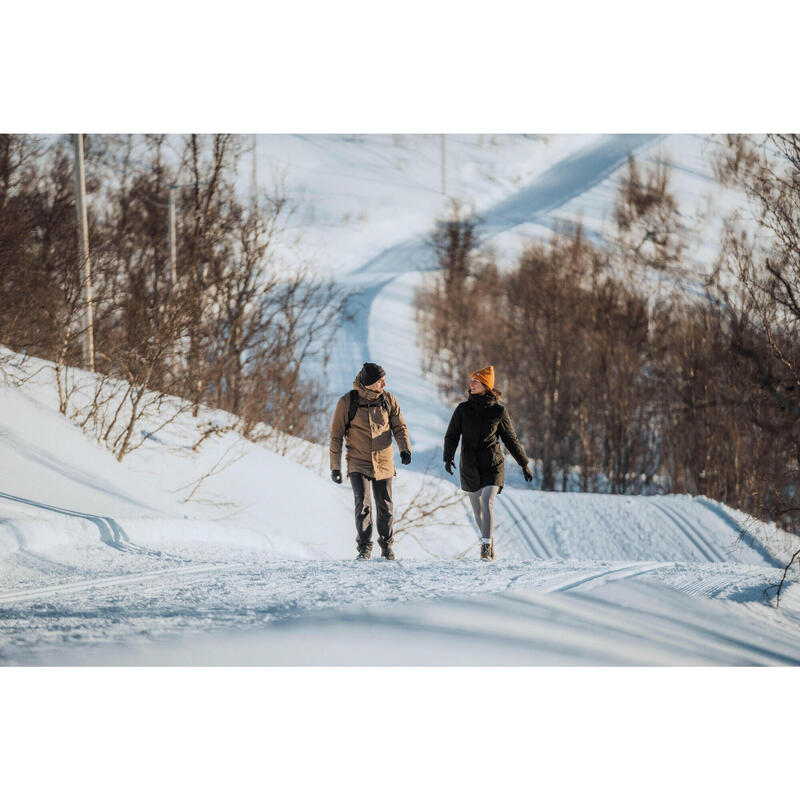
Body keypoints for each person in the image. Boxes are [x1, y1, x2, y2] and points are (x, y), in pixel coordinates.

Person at [443, 366, 532, 561]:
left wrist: (523, 463)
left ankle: (484, 546)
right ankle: (489, 542)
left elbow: (510, 439)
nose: (471, 384)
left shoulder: (498, 411)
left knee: (486, 501)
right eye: (471, 381)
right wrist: (448, 456)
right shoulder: (462, 409)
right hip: (469, 466)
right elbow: (451, 435)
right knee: (477, 511)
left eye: (475, 381)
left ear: (485, 385)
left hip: (492, 465)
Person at [330, 362, 412, 560]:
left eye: (384, 381)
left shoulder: (388, 400)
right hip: (358, 461)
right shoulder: (347, 402)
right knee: (363, 504)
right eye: (379, 382)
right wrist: (335, 467)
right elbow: (336, 436)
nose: (384, 385)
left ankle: (386, 545)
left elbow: (399, 427)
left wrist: (405, 448)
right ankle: (364, 547)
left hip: (383, 461)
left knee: (385, 506)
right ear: (368, 383)